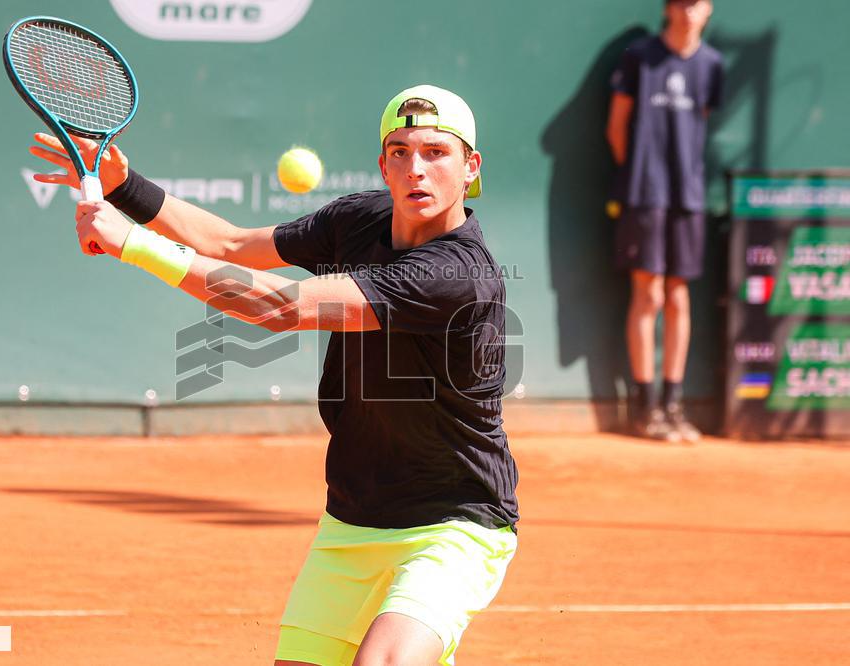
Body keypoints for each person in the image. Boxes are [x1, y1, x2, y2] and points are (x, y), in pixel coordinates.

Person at [29, 84, 519, 666]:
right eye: (400, 150)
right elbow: (231, 243)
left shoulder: (455, 273)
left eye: (437, 152)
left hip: (455, 522)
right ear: (383, 164)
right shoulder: (358, 220)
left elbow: (281, 308)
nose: (416, 168)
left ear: (471, 167)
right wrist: (123, 187)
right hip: (355, 518)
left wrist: (133, 243)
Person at [606, 0, 724, 442]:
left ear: (708, 10)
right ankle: (645, 407)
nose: (689, 10)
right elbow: (616, 128)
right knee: (649, 293)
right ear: (669, 8)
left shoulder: (713, 65)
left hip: (687, 198)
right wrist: (639, 177)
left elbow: (700, 126)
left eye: (697, 3)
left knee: (678, 296)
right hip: (644, 195)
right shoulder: (639, 56)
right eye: (682, 2)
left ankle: (673, 405)